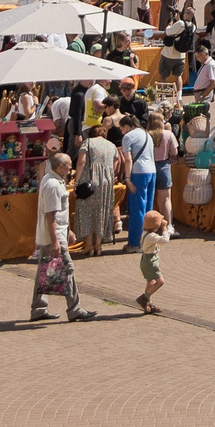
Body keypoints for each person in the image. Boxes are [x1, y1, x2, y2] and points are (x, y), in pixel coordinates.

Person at [30, 150, 96, 322]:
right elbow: (51, 215)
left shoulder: (53, 180)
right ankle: (74, 309)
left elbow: (59, 214)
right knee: (68, 269)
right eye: (69, 166)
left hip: (54, 235)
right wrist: (56, 241)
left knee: (45, 270)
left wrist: (68, 230)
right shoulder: (52, 185)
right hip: (53, 237)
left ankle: (38, 308)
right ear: (60, 166)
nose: (71, 169)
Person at [74, 118, 118, 254]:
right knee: (102, 212)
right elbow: (115, 164)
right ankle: (98, 245)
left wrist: (76, 181)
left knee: (87, 211)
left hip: (89, 181)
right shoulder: (112, 146)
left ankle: (89, 245)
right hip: (106, 183)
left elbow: (81, 162)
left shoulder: (88, 143)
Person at [122, 113, 161, 249]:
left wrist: (127, 178)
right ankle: (147, 241)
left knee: (137, 209)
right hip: (152, 171)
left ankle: (135, 243)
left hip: (138, 173)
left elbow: (128, 159)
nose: (122, 132)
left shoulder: (128, 137)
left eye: (121, 129)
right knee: (148, 209)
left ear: (126, 127)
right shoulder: (147, 134)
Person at [136, 209, 168, 314]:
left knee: (150, 283)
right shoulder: (151, 236)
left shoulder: (145, 233)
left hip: (145, 260)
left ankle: (148, 304)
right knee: (160, 282)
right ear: (156, 225)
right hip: (150, 262)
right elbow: (165, 240)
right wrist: (164, 227)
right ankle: (144, 298)